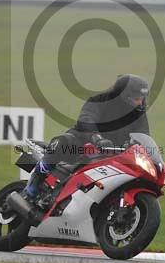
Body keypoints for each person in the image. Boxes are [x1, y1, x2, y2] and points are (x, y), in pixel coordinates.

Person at [22, 74, 151, 205]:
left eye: (142, 99)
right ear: (124, 97)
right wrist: (97, 138)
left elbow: (143, 134)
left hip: (112, 153)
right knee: (62, 142)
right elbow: (86, 119)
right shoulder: (99, 100)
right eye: (137, 99)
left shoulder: (138, 113)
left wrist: (148, 152)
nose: (141, 102)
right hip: (83, 141)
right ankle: (34, 183)